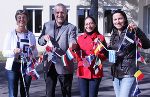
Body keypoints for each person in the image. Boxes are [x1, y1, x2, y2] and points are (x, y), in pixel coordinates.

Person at [38, 3, 77, 97]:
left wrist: (73, 44)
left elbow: (72, 39)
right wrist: (44, 37)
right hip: (49, 64)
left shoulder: (71, 27)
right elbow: (40, 41)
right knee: (49, 93)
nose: (60, 15)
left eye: (62, 12)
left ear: (66, 13)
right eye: (57, 12)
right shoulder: (47, 25)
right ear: (54, 13)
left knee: (66, 93)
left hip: (64, 64)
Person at [108, 10, 150, 97]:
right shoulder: (113, 33)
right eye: (115, 19)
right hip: (115, 72)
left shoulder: (131, 31)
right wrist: (102, 46)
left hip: (129, 72)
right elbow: (112, 52)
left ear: (125, 19)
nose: (117, 21)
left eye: (120, 18)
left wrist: (137, 30)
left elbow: (147, 45)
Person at [2, 9, 38, 97]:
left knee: (25, 92)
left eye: (24, 17)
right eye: (19, 18)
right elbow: (4, 53)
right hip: (13, 66)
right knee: (13, 93)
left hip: (27, 66)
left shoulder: (31, 35)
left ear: (27, 20)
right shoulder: (10, 34)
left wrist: (33, 49)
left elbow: (35, 54)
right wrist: (13, 52)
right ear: (16, 20)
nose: (21, 19)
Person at [74, 16, 107, 97]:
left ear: (95, 25)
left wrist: (100, 49)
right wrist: (74, 50)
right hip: (83, 70)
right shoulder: (80, 38)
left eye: (91, 23)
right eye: (87, 24)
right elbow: (77, 57)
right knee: (83, 95)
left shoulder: (100, 37)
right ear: (84, 26)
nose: (89, 26)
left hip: (95, 71)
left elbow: (105, 56)